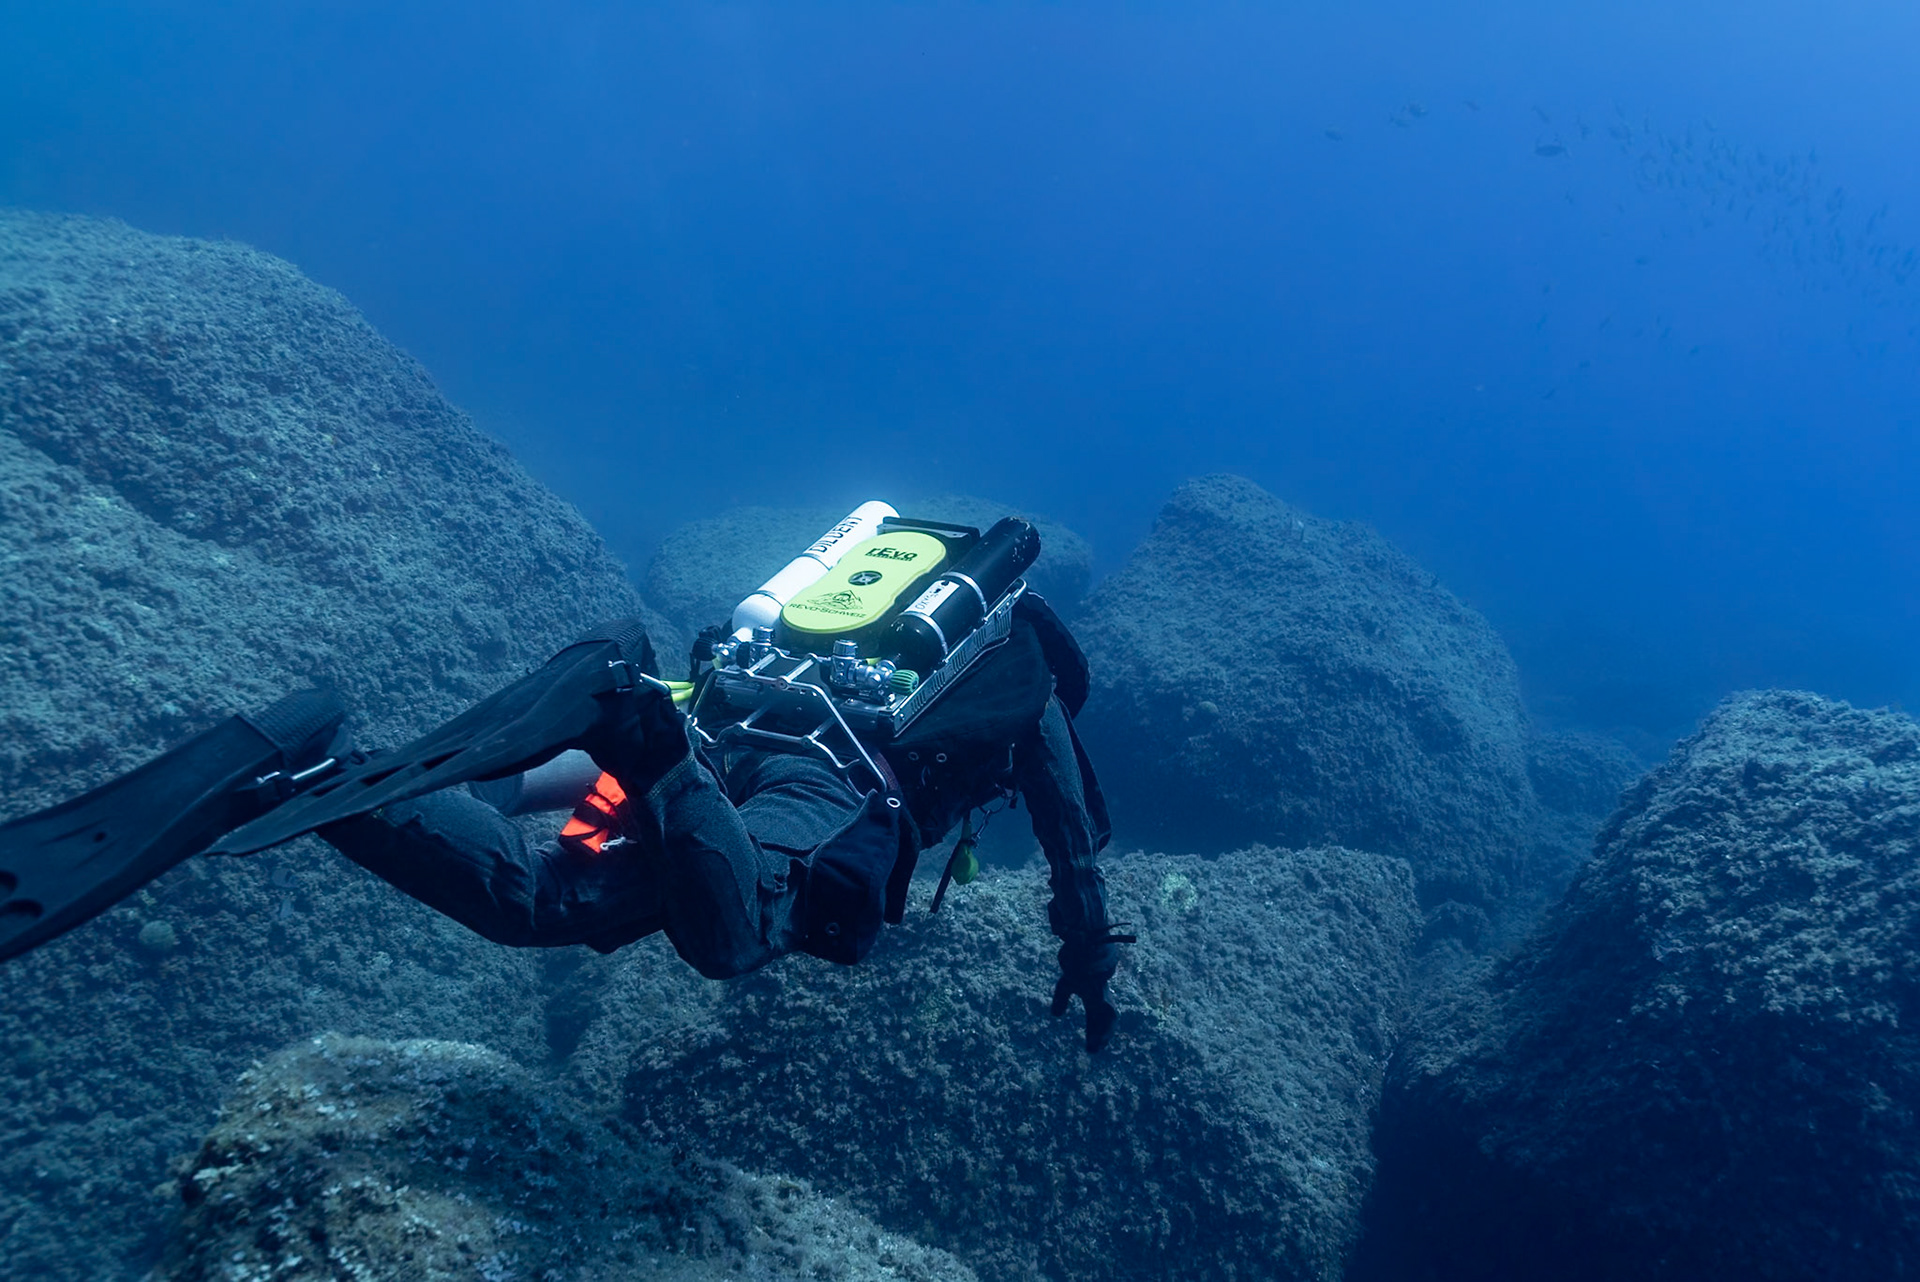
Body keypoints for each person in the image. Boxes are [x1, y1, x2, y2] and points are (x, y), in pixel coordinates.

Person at [0, 513, 1130, 1053]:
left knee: (543, 900)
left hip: (722, 712)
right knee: (735, 938)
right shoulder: (1024, 690)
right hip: (804, 775)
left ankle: (303, 769)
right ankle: (631, 736)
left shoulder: (872, 630)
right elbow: (1074, 845)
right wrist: (1089, 969)